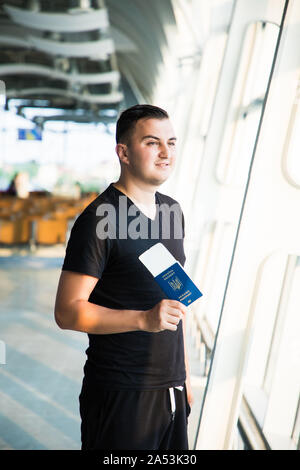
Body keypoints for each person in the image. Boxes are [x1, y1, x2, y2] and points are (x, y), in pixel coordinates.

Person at [54, 104, 193, 450]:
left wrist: (184, 376)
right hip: (122, 390)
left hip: (170, 389)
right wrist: (144, 319)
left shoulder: (171, 211)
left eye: (171, 143)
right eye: (152, 142)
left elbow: (177, 301)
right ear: (124, 152)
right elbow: (67, 311)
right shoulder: (100, 218)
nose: (166, 153)